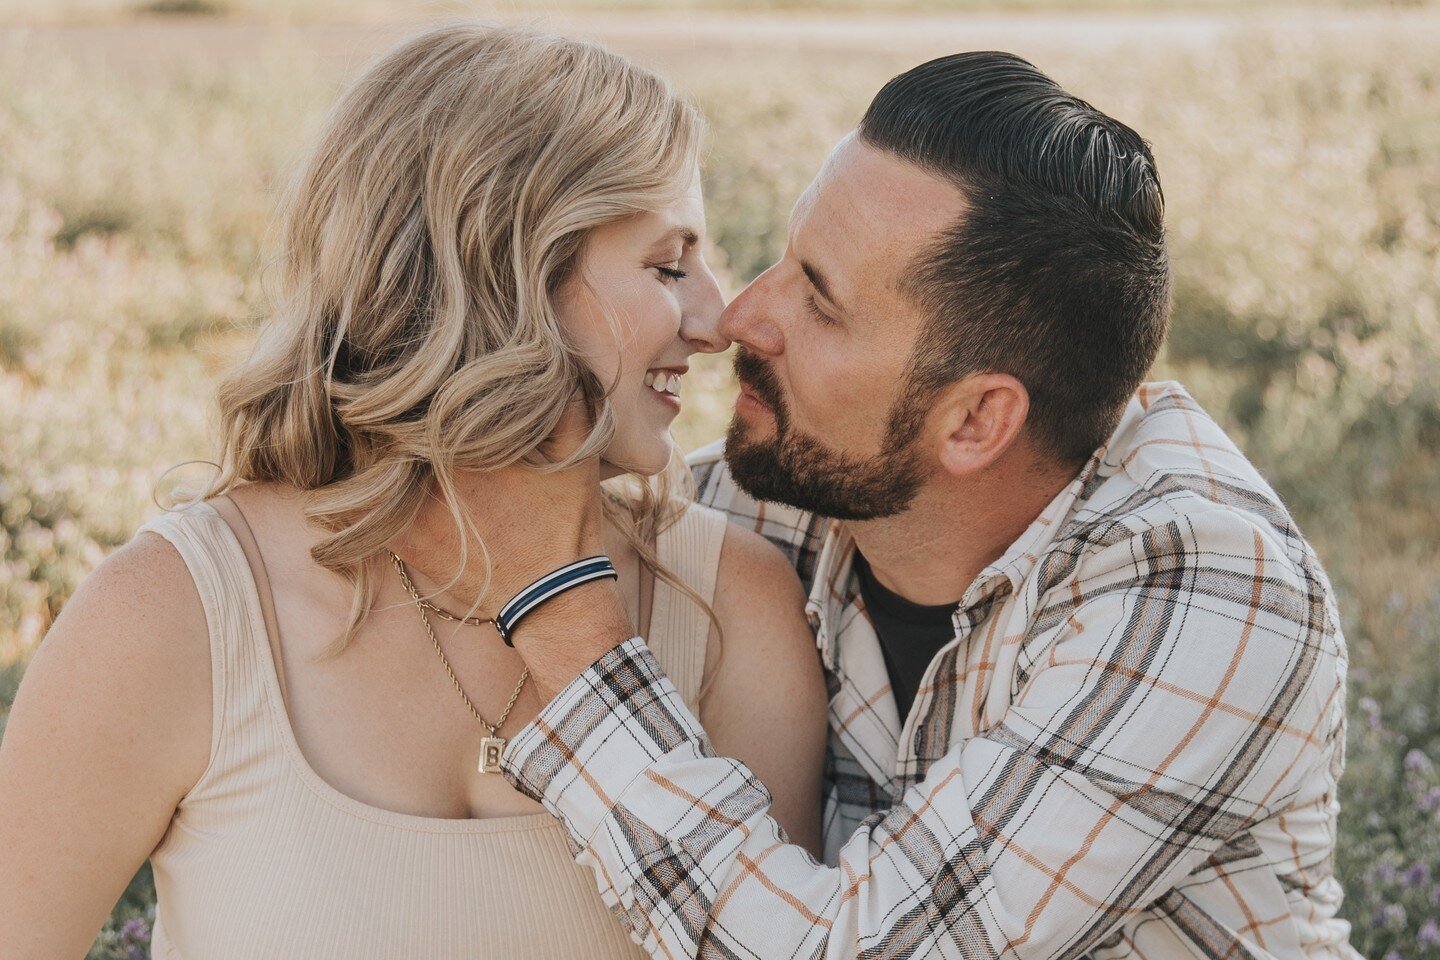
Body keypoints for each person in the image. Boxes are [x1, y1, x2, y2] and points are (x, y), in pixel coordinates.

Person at [455, 53, 1363, 959]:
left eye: (818, 301)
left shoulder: (1211, 590)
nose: (738, 317)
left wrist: (566, 621)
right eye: (785, 256)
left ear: (973, 420)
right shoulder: (764, 505)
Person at [0, 24, 828, 959]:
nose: (717, 318)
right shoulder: (174, 616)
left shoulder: (732, 611)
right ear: (502, 276)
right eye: (668, 265)